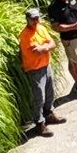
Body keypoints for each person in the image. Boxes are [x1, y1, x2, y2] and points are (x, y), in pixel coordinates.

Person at [19, 9, 63, 137]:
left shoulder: (41, 28)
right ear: (27, 19)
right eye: (33, 19)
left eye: (37, 18)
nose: (36, 21)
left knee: (50, 92)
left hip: (46, 65)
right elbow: (36, 51)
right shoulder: (25, 35)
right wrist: (45, 47)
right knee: (39, 97)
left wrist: (44, 47)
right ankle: (39, 124)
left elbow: (52, 43)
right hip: (35, 69)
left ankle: (49, 114)